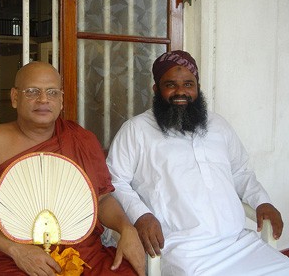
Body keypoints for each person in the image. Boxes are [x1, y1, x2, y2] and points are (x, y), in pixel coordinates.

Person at [0, 61, 145, 276]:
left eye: (52, 92)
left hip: (83, 254)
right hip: (16, 259)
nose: (43, 99)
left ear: (61, 100)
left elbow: (101, 199)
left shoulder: (82, 139)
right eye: (32, 91)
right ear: (15, 98)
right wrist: (16, 250)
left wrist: (126, 228)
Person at [106, 50, 289, 275]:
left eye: (188, 84)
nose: (181, 91)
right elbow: (115, 181)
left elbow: (240, 170)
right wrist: (141, 215)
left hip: (239, 241)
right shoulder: (136, 130)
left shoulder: (218, 125)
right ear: (156, 89)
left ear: (197, 87)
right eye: (170, 84)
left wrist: (262, 201)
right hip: (182, 250)